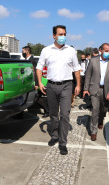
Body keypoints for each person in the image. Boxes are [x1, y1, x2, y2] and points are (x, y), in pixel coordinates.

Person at [36, 25, 81, 155]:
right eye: (60, 34)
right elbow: (39, 67)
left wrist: (78, 85)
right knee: (53, 114)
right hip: (51, 86)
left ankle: (63, 143)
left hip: (67, 85)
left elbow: (76, 68)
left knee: (65, 114)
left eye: (64, 34)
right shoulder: (46, 50)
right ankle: (54, 135)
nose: (62, 37)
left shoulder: (71, 50)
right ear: (54, 36)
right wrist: (39, 82)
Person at [83, 43, 109, 141]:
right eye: (106, 51)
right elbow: (88, 76)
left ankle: (101, 119)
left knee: (104, 109)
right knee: (95, 110)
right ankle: (94, 131)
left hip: (106, 90)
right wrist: (86, 89)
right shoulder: (93, 61)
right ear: (100, 50)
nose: (108, 53)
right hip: (95, 89)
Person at [22, 46, 49, 117]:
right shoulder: (27, 59)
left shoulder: (32, 60)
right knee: (36, 98)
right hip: (28, 82)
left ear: (27, 51)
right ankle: (47, 110)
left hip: (33, 83)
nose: (23, 53)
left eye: (23, 51)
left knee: (36, 98)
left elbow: (36, 73)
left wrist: (37, 84)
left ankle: (47, 110)